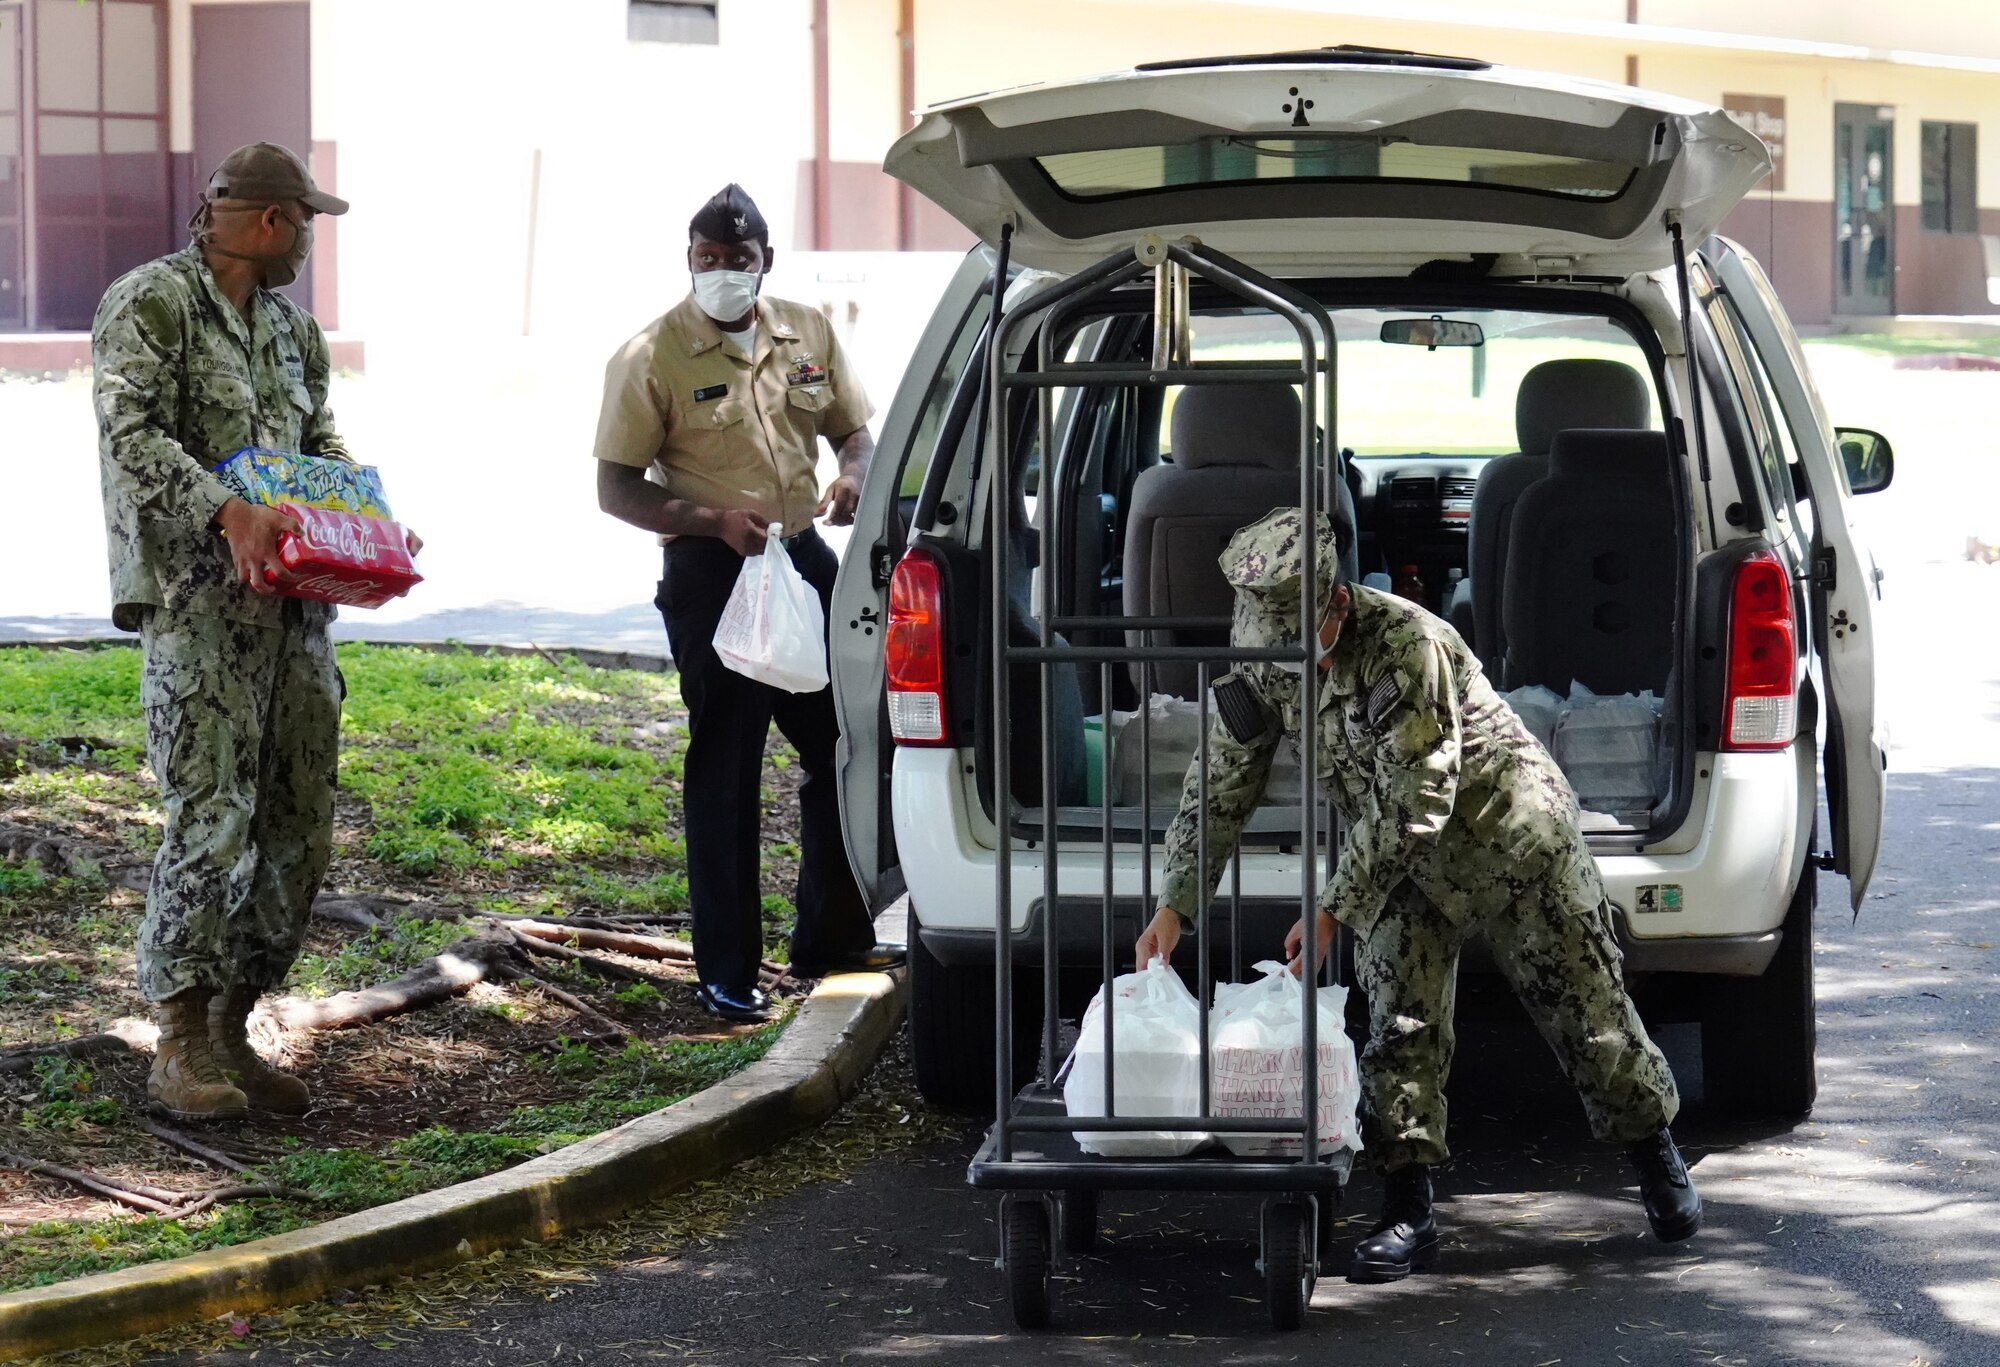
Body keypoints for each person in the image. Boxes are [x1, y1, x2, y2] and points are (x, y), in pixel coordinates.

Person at [1135, 508, 1700, 1281]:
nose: (1285, 664)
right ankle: (1409, 1203)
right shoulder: (1268, 654)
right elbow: (1223, 779)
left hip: (1508, 835)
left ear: (1333, 606)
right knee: (1398, 1021)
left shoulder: (1408, 646)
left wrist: (1332, 908)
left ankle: (1653, 1150)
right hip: (1399, 865)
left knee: (1587, 1012)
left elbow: (1416, 801)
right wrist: (1177, 903)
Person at [92, 142, 418, 1120]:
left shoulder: (290, 331)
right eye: (307, 223)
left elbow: (317, 441)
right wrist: (225, 509)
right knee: (210, 813)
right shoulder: (150, 302)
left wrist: (366, 521)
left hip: (295, 607)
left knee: (296, 818)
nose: (311, 242)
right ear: (272, 222)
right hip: (198, 605)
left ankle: (237, 1021)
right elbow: (131, 435)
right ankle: (179, 1040)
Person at [592, 184, 902, 1024]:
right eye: (708, 258)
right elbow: (615, 487)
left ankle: (831, 934)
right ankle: (726, 970)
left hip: (799, 558)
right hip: (712, 568)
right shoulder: (651, 354)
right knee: (727, 766)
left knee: (846, 743)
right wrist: (707, 520)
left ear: (767, 260)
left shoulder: (808, 329)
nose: (724, 271)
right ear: (688, 259)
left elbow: (857, 433)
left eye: (740, 259)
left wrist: (852, 479)